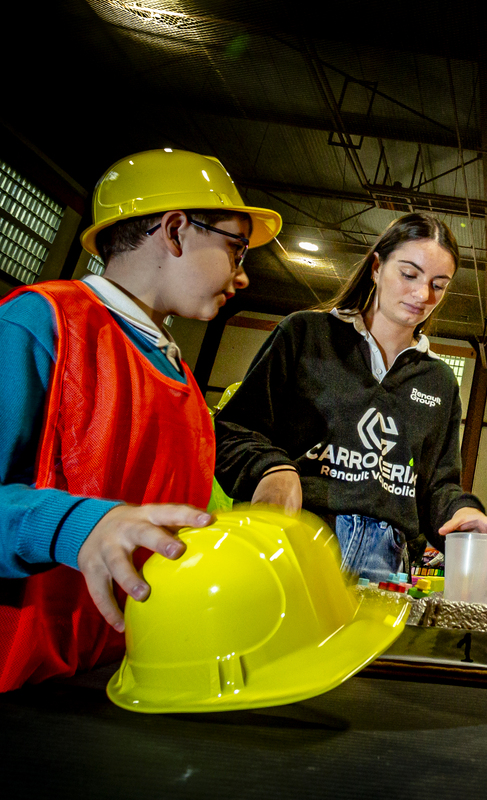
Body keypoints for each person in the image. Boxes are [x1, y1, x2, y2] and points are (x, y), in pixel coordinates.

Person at [0, 148, 281, 691]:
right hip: (24, 680)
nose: (242, 277)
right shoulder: (40, 322)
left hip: (122, 677)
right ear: (175, 230)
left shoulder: (182, 381)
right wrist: (74, 525)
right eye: (236, 249)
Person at [214, 212, 487, 582]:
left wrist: (462, 513)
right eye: (409, 274)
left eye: (439, 284)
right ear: (377, 267)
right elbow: (233, 430)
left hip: (386, 562)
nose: (422, 295)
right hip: (297, 540)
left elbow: (437, 486)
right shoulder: (305, 336)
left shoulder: (439, 381)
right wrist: (271, 468)